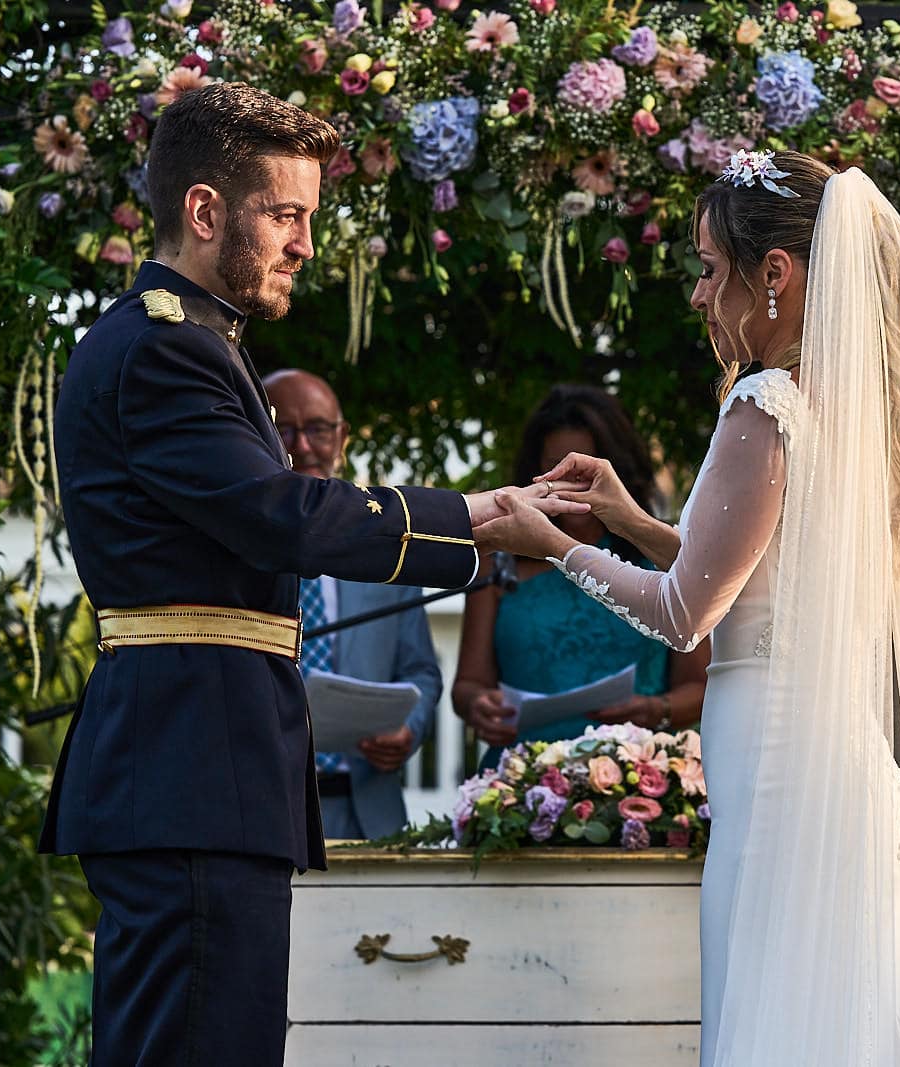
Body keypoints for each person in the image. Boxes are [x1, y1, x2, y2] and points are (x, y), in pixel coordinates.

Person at [475, 151, 900, 1065]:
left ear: (773, 274)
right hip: (830, 764)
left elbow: (684, 617)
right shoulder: (839, 410)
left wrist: (553, 545)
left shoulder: (763, 402)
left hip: (789, 780)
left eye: (709, 270)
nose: (700, 297)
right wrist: (629, 521)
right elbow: (760, 578)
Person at [40, 83, 582, 1066]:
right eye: (286, 215)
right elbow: (277, 512)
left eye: (307, 219)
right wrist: (482, 516)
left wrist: (487, 521)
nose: (304, 244)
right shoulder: (166, 348)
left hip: (195, 762)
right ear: (204, 210)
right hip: (193, 760)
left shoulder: (186, 342)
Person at [452, 385, 709, 765]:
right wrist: (479, 706)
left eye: (585, 470)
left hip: (637, 777)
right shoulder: (500, 561)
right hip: (522, 778)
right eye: (556, 470)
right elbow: (468, 684)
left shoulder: (658, 554)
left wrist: (655, 710)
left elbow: (702, 685)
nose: (571, 485)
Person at [263, 368, 442, 840]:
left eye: (318, 429)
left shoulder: (386, 551)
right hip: (261, 806)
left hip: (368, 808)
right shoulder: (236, 551)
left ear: (341, 437)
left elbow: (421, 671)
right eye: (283, 429)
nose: (302, 446)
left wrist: (409, 729)